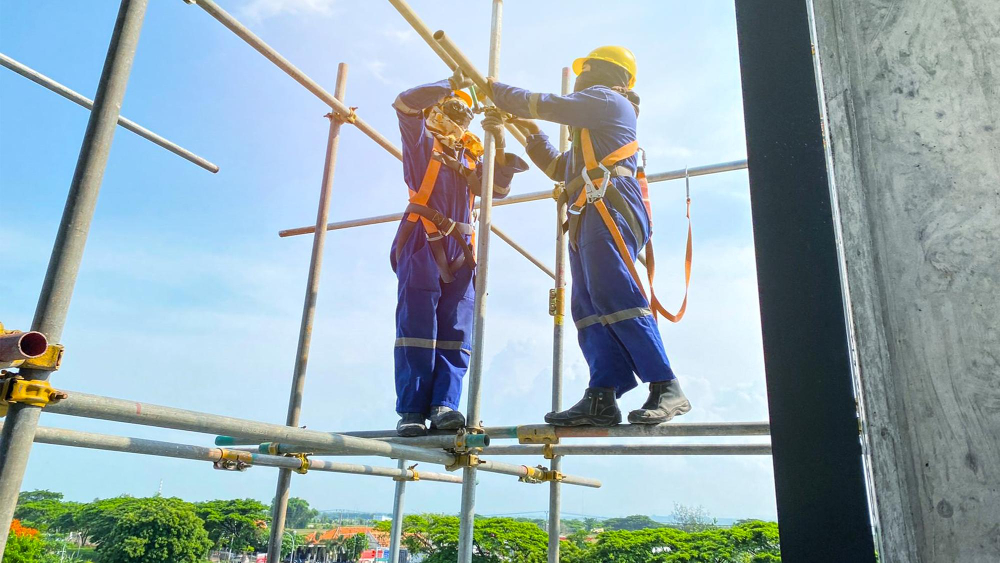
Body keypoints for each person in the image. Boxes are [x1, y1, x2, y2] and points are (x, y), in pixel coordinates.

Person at [488, 46, 691, 426]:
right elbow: (558, 167)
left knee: (615, 293)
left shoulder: (607, 100)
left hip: (610, 204)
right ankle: (603, 392)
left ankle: (665, 384)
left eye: (587, 71)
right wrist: (531, 135)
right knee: (587, 304)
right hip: (589, 210)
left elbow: (548, 104)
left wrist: (499, 92)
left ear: (602, 73)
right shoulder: (592, 132)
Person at [391, 71, 528, 436]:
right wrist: (450, 83)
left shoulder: (470, 157)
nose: (452, 119)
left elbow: (497, 188)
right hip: (424, 240)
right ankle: (412, 411)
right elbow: (405, 102)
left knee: (455, 329)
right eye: (448, 110)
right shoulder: (422, 145)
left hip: (462, 249)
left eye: (460, 114)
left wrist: (497, 135)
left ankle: (443, 405)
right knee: (417, 325)